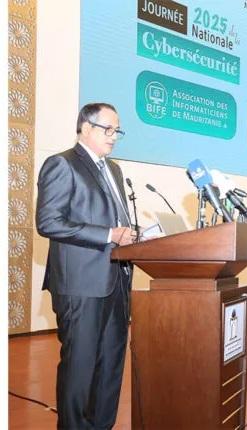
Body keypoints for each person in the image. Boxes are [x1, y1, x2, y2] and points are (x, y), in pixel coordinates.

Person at [36, 103, 137, 429]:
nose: (114, 136)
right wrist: (109, 234)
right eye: (108, 129)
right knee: (80, 368)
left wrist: (130, 235)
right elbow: (49, 222)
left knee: (110, 366)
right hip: (80, 284)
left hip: (116, 282)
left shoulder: (114, 170)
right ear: (86, 127)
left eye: (117, 130)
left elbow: (115, 219)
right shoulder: (62, 164)